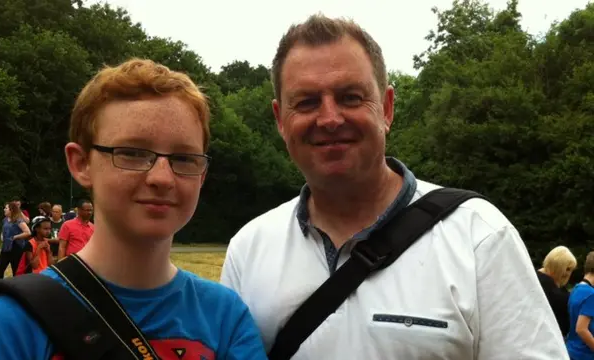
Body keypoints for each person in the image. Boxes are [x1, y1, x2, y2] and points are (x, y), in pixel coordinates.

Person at [219, 14, 568, 359]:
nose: (329, 118)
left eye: (350, 97)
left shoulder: (480, 236)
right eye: (307, 102)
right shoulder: (248, 249)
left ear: (386, 108)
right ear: (281, 120)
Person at [0, 58, 266, 359]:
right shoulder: (13, 322)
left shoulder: (226, 319)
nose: (162, 177)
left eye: (184, 158)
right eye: (132, 153)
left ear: (202, 175)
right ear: (81, 164)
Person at [537, 245, 577, 337]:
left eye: (571, 270)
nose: (568, 274)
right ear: (558, 266)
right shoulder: (548, 287)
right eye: (567, 269)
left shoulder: (536, 278)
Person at [567, 251, 594, 359]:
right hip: (584, 354)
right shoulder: (591, 294)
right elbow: (581, 329)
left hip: (571, 350)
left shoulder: (576, 289)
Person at [0, 202, 31, 279]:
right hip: (6, 247)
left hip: (16, 247)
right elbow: (4, 230)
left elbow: (28, 232)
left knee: (16, 269)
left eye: (6, 208)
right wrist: (2, 236)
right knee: (0, 268)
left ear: (11, 210)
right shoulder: (5, 220)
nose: (4, 209)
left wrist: (14, 237)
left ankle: (16, 287)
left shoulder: (18, 220)